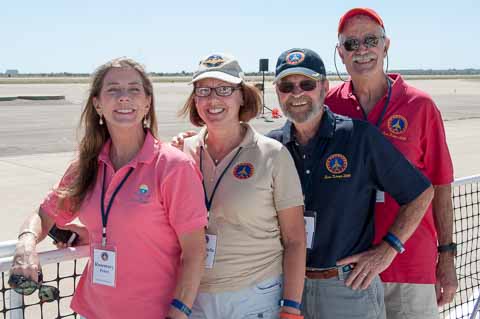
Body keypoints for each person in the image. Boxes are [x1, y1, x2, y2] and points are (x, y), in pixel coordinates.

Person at [9, 57, 207, 319]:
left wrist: (178, 313)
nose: (124, 97)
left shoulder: (173, 166)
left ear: (147, 103)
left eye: (134, 89)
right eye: (113, 89)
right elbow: (43, 215)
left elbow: (195, 252)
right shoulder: (86, 166)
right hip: (92, 311)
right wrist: (26, 243)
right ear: (97, 104)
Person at [266, 48, 434, 319]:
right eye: (287, 86)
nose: (297, 93)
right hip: (285, 289)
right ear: (278, 92)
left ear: (323, 86)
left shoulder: (359, 138)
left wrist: (388, 249)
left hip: (346, 288)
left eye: (306, 84)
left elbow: (421, 192)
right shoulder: (270, 147)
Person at [326, 8, 457, 318]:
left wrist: (447, 259)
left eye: (371, 40)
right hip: (347, 271)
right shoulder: (328, 105)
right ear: (340, 54)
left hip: (410, 268)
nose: (362, 51)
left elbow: (441, 186)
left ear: (386, 46)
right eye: (351, 44)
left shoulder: (420, 106)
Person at [178, 53, 306, 319]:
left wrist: (291, 308)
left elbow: (294, 239)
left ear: (241, 96)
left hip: (254, 296)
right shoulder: (181, 154)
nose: (213, 99)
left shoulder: (273, 154)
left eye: (225, 89)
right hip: (192, 297)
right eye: (204, 91)